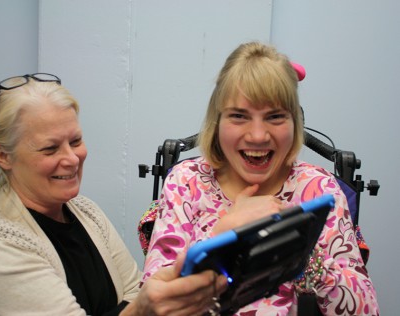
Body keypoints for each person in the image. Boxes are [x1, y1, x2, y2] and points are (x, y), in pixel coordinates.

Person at [0, 73, 227, 316]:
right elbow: (138, 301)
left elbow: (134, 290)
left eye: (76, 141)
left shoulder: (85, 212)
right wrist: (143, 308)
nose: (71, 158)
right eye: (50, 148)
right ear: (2, 155)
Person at [141, 42, 380, 315]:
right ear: (217, 121)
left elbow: (366, 310)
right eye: (239, 116)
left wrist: (301, 256)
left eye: (275, 117)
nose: (257, 135)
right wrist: (225, 234)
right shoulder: (187, 181)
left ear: (294, 122)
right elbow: (154, 303)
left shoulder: (318, 187)